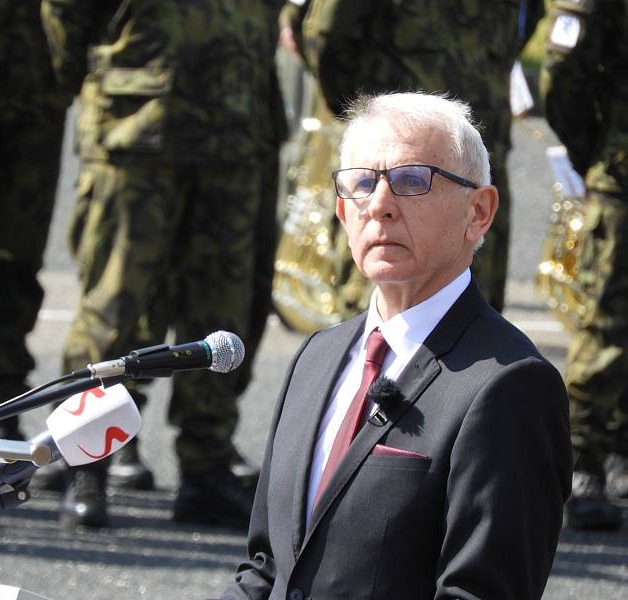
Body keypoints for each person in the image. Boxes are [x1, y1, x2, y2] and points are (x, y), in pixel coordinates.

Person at [220, 92, 572, 599]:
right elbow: (264, 568)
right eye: (362, 183)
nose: (379, 205)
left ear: (478, 211)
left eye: (412, 181)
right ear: (342, 212)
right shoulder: (317, 357)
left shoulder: (509, 384)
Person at [41, 0, 280, 529]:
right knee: (114, 306)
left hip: (233, 130)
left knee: (220, 309)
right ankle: (87, 463)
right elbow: (65, 14)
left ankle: (206, 465)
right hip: (139, 124)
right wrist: (92, 81)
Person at [278, 0, 545, 314]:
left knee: (477, 325)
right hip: (396, 175)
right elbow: (324, 35)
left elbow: (528, 20)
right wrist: (369, 119)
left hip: (479, 164)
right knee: (386, 321)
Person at [541, 0, 628, 530]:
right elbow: (562, 74)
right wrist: (593, 150)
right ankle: (583, 457)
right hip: (623, 174)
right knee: (609, 323)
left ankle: (620, 446)